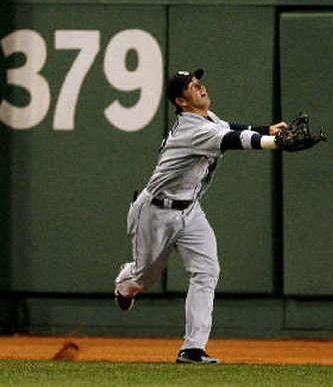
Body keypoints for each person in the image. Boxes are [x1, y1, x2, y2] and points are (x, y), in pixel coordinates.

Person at [114, 68, 287, 364]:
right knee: (144, 278)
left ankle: (192, 348)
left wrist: (266, 129)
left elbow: (230, 127)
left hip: (190, 210)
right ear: (181, 101)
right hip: (155, 211)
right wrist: (272, 143)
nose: (200, 86)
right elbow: (233, 140)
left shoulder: (206, 119)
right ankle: (125, 284)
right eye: (191, 86)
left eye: (197, 81)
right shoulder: (191, 129)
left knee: (207, 271)